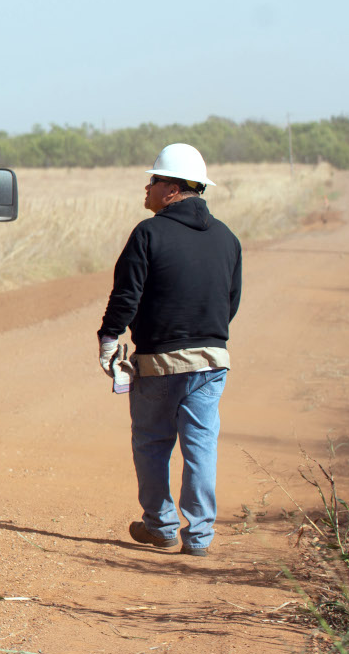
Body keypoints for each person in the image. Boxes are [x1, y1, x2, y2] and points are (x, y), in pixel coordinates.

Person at [98, 143, 242, 557]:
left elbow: (126, 295)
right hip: (212, 361)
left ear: (173, 189)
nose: (147, 187)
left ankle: (161, 526)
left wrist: (109, 340)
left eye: (154, 180)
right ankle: (198, 537)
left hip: (159, 361)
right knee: (200, 445)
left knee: (151, 442)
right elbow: (230, 301)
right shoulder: (228, 238)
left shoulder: (148, 233)